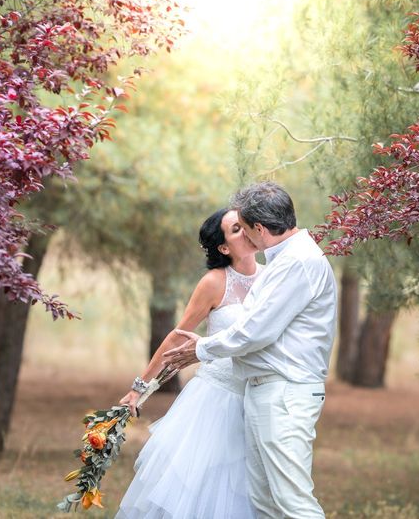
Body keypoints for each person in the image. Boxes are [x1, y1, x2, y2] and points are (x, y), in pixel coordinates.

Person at [165, 181, 338, 519]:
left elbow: (255, 331)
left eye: (244, 229)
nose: (244, 237)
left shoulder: (297, 263)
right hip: (265, 391)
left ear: (260, 229)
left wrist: (202, 349)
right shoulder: (286, 260)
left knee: (293, 503)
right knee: (264, 503)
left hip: (285, 394)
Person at [115, 208, 260, 519]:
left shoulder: (273, 277)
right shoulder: (214, 282)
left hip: (258, 399)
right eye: (236, 229)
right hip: (214, 402)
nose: (246, 230)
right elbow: (177, 338)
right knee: (200, 491)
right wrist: (139, 388)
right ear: (224, 247)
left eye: (246, 223)